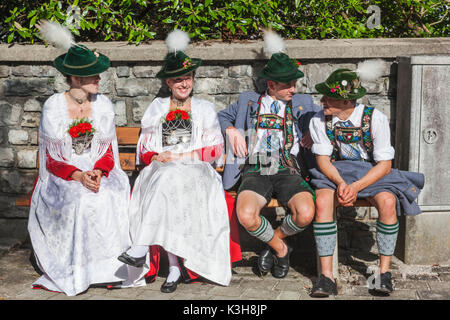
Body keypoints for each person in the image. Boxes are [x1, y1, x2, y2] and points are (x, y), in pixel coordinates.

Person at [118, 30, 241, 293]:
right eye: (178, 80)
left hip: (197, 170)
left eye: (187, 78)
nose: (184, 84)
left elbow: (215, 150)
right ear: (169, 83)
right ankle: (173, 267)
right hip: (163, 169)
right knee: (167, 178)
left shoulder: (205, 109)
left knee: (172, 179)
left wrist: (183, 156)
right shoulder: (158, 108)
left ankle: (145, 249)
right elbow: (145, 148)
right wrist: (156, 156)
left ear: (193, 79)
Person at [27, 21, 131, 296]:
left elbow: (108, 152)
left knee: (109, 196)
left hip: (96, 171)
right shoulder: (54, 107)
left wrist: (98, 172)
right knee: (80, 199)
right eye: (93, 76)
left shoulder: (103, 105)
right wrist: (79, 176)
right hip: (64, 175)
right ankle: (78, 269)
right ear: (75, 79)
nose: (100, 79)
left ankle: (109, 270)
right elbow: (53, 160)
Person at [308, 62, 425, 297]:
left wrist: (357, 186)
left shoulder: (375, 119)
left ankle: (383, 274)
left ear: (346, 102)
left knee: (388, 201)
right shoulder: (319, 120)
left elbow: (384, 165)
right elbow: (322, 161)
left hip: (371, 172)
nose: (322, 101)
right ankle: (326, 277)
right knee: (322, 202)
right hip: (335, 171)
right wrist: (341, 183)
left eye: (328, 98)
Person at [218, 31, 319, 279]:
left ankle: (272, 241)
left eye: (294, 83)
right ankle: (281, 248)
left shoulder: (303, 101)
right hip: (257, 166)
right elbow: (219, 117)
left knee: (306, 213)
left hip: (288, 167)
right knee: (246, 215)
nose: (293, 89)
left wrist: (315, 132)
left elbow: (328, 118)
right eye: (287, 85)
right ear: (271, 84)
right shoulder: (248, 100)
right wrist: (231, 130)